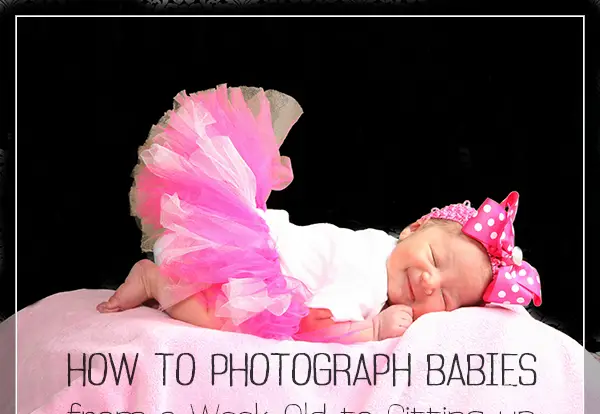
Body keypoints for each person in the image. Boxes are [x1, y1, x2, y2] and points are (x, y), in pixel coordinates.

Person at [97, 84, 542, 343]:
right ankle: (157, 280)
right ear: (413, 228)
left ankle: (156, 275)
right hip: (249, 263)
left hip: (252, 244)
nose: (428, 282)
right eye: (434, 260)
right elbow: (313, 324)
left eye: (444, 298)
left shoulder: (378, 247)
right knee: (226, 322)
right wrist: (372, 332)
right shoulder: (369, 279)